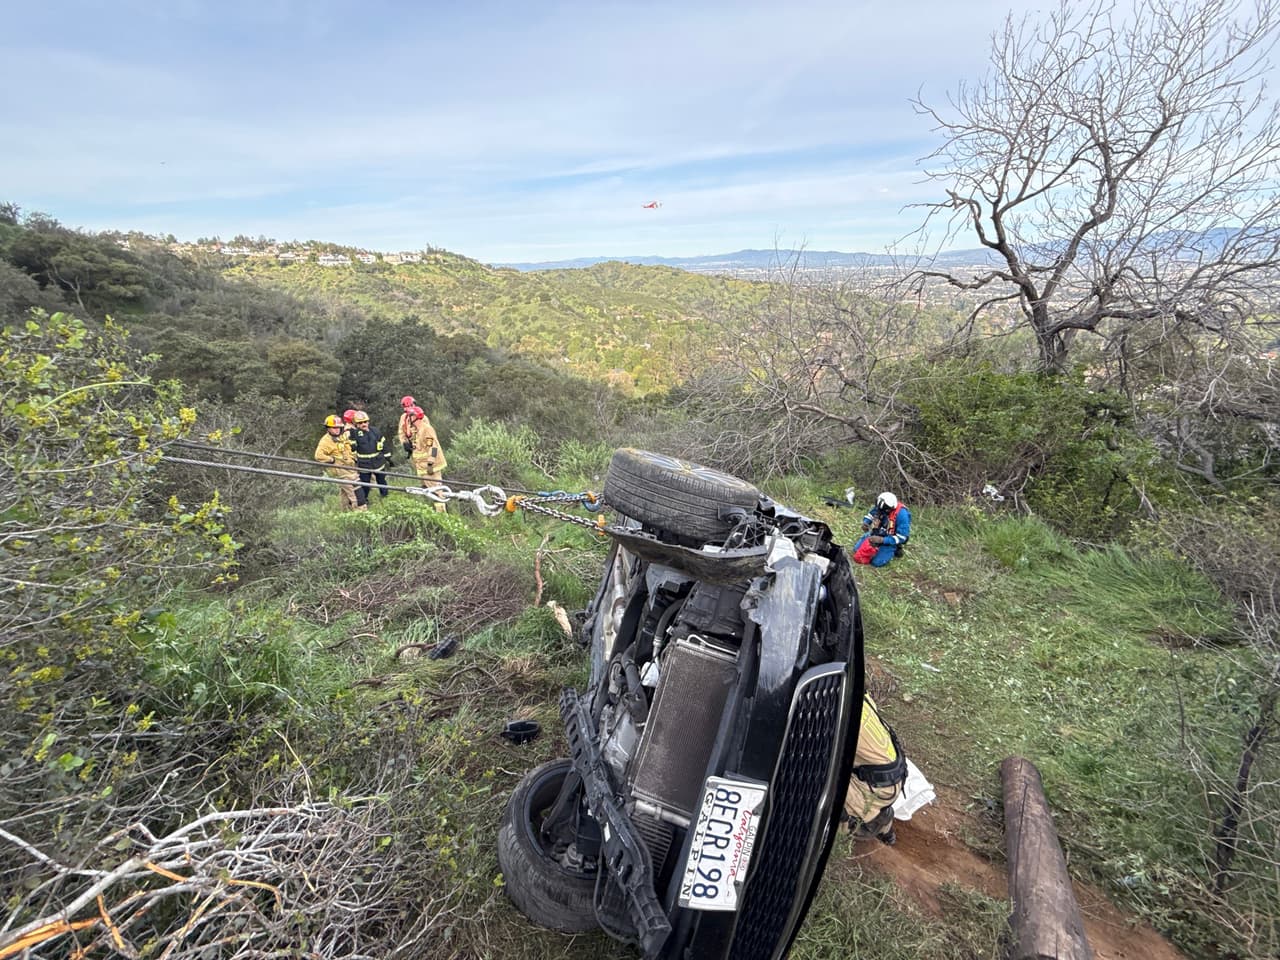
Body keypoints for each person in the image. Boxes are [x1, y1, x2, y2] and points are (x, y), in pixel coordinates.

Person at [843, 694, 908, 845]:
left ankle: (869, 823)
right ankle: (879, 818)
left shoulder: (834, 713)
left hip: (876, 788)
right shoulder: (855, 691)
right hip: (890, 775)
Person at [314, 414, 360, 511]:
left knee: (345, 493)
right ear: (328, 428)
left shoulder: (342, 436)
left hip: (350, 467)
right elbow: (318, 456)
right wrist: (332, 460)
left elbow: (348, 448)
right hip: (341, 471)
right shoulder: (325, 441)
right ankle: (361, 512)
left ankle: (344, 512)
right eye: (334, 428)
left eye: (339, 427)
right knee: (356, 494)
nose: (337, 430)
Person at [852, 492, 910, 566]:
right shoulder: (881, 506)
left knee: (876, 562)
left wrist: (882, 540)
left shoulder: (902, 515)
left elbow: (902, 537)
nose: (880, 511)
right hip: (878, 532)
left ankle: (896, 549)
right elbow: (870, 515)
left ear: (890, 508)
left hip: (890, 538)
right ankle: (876, 543)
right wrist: (866, 522)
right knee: (856, 550)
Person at [408, 405, 448, 512]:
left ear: (414, 417)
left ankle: (442, 515)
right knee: (428, 491)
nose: (408, 419)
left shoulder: (426, 429)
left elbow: (433, 447)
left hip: (430, 467)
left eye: (410, 416)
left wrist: (430, 463)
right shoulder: (416, 431)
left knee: (436, 492)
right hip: (421, 467)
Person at [349, 410, 391, 505]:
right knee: (365, 484)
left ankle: (385, 497)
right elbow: (352, 449)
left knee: (382, 481)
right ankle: (365, 500)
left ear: (368, 421)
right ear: (356, 424)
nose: (363, 424)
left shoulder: (375, 431)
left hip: (378, 462)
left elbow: (383, 444)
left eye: (365, 422)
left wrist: (388, 457)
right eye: (360, 423)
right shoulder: (355, 434)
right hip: (364, 464)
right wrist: (352, 439)